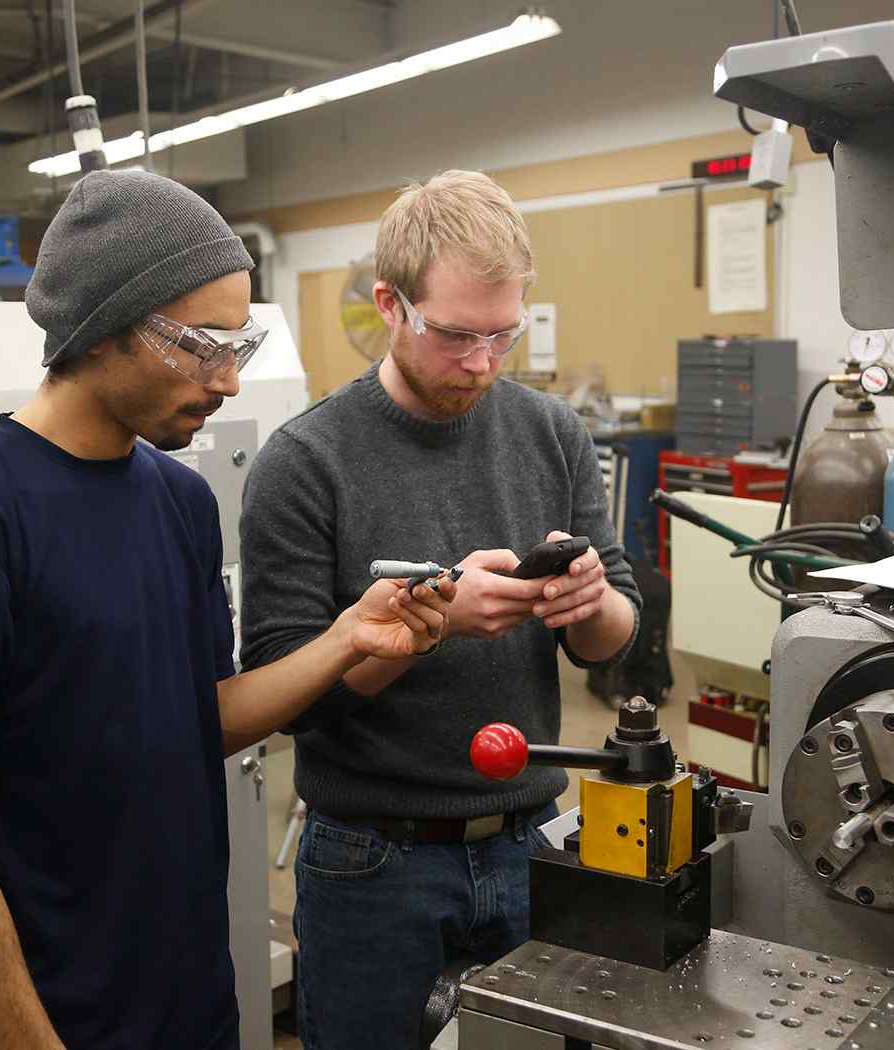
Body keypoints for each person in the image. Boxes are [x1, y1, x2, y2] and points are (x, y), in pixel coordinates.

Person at [0, 170, 455, 1050]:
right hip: (57, 1017)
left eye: (238, 347)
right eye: (199, 345)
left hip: (193, 1001)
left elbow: (202, 720)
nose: (226, 380)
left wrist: (346, 639)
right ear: (103, 326)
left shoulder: (180, 502)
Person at [240, 169, 642, 1047]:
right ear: (389, 303)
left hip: (537, 841)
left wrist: (592, 600)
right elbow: (287, 697)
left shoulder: (551, 433)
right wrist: (432, 628)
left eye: (505, 334)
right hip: (373, 862)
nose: (481, 363)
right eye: (456, 334)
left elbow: (615, 637)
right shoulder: (304, 462)